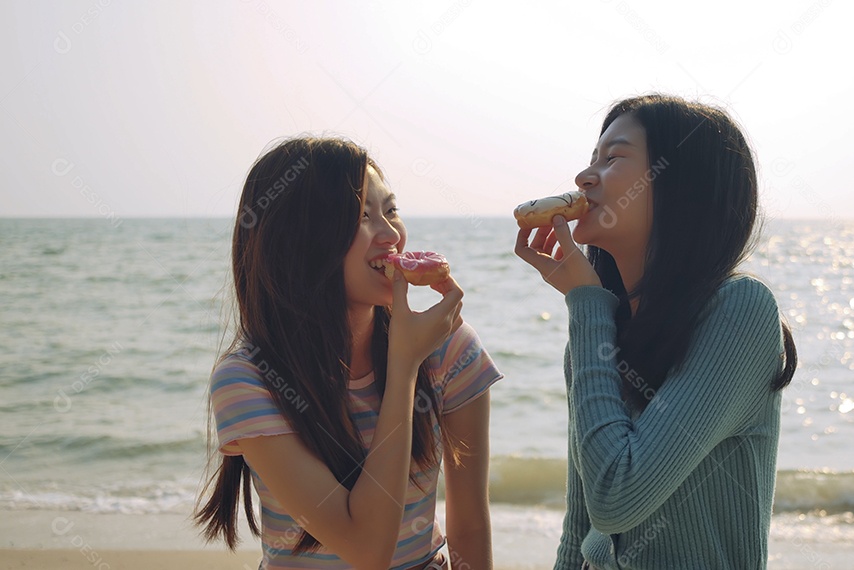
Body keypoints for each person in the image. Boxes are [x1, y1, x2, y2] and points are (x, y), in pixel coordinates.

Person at [515, 94, 797, 569]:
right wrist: (589, 309)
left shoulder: (739, 310)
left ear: (680, 185)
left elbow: (617, 498)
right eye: (591, 160)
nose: (585, 178)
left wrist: (584, 303)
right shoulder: (602, 325)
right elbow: (580, 526)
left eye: (614, 158)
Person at [195, 137, 501, 570]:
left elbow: (468, 526)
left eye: (390, 210)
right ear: (299, 241)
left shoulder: (448, 347)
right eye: (361, 216)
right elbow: (366, 549)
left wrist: (409, 359)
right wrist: (403, 368)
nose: (392, 234)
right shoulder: (248, 380)